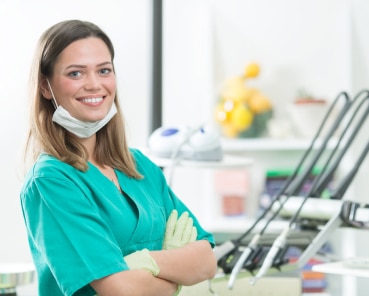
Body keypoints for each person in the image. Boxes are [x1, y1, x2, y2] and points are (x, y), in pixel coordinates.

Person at [20, 19, 217, 296]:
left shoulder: (140, 167)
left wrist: (147, 262)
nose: (94, 84)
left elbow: (207, 261)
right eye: (76, 73)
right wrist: (176, 272)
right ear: (45, 86)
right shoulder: (51, 181)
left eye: (104, 70)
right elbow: (120, 290)